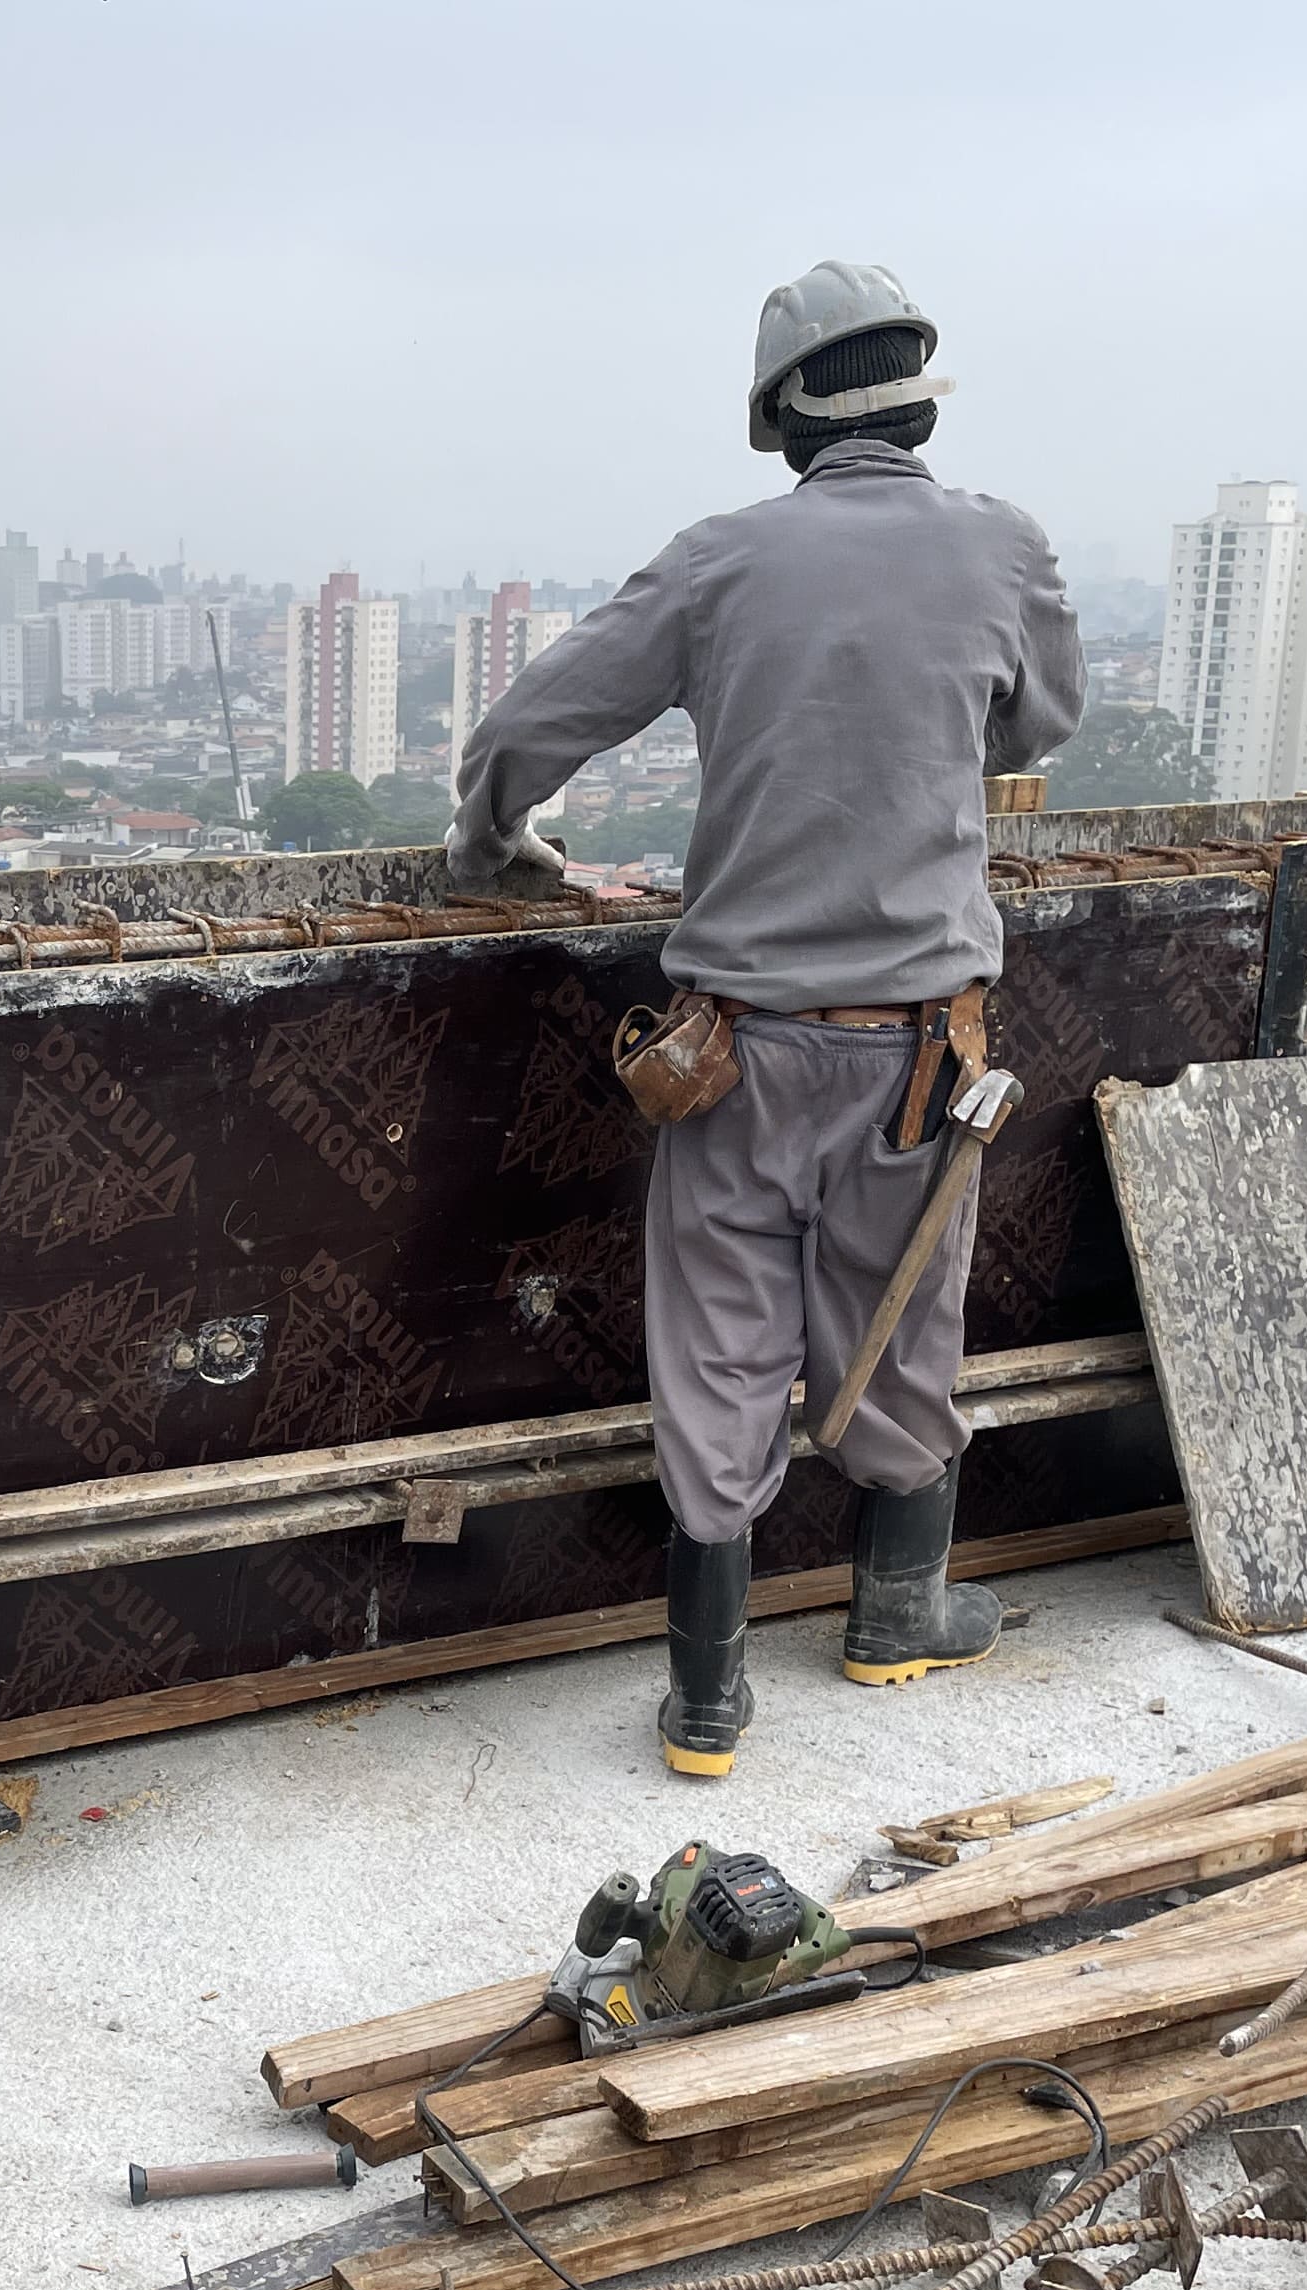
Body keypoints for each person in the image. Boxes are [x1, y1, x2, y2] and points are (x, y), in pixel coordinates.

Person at [448, 258, 1083, 1779]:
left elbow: (530, 725)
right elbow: (1036, 727)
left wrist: (496, 850)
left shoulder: (719, 562)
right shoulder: (1003, 547)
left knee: (720, 1345)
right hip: (920, 1048)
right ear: (921, 400)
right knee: (901, 1324)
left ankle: (708, 1698)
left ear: (778, 422)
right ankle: (893, 1614)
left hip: (727, 1051)